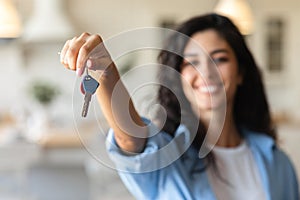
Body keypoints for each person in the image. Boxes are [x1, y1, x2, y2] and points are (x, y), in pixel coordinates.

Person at [60, 13, 299, 200]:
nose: (206, 72)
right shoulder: (167, 157)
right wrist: (106, 72)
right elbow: (131, 140)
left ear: (240, 73)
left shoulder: (277, 162)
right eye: (191, 63)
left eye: (220, 59)